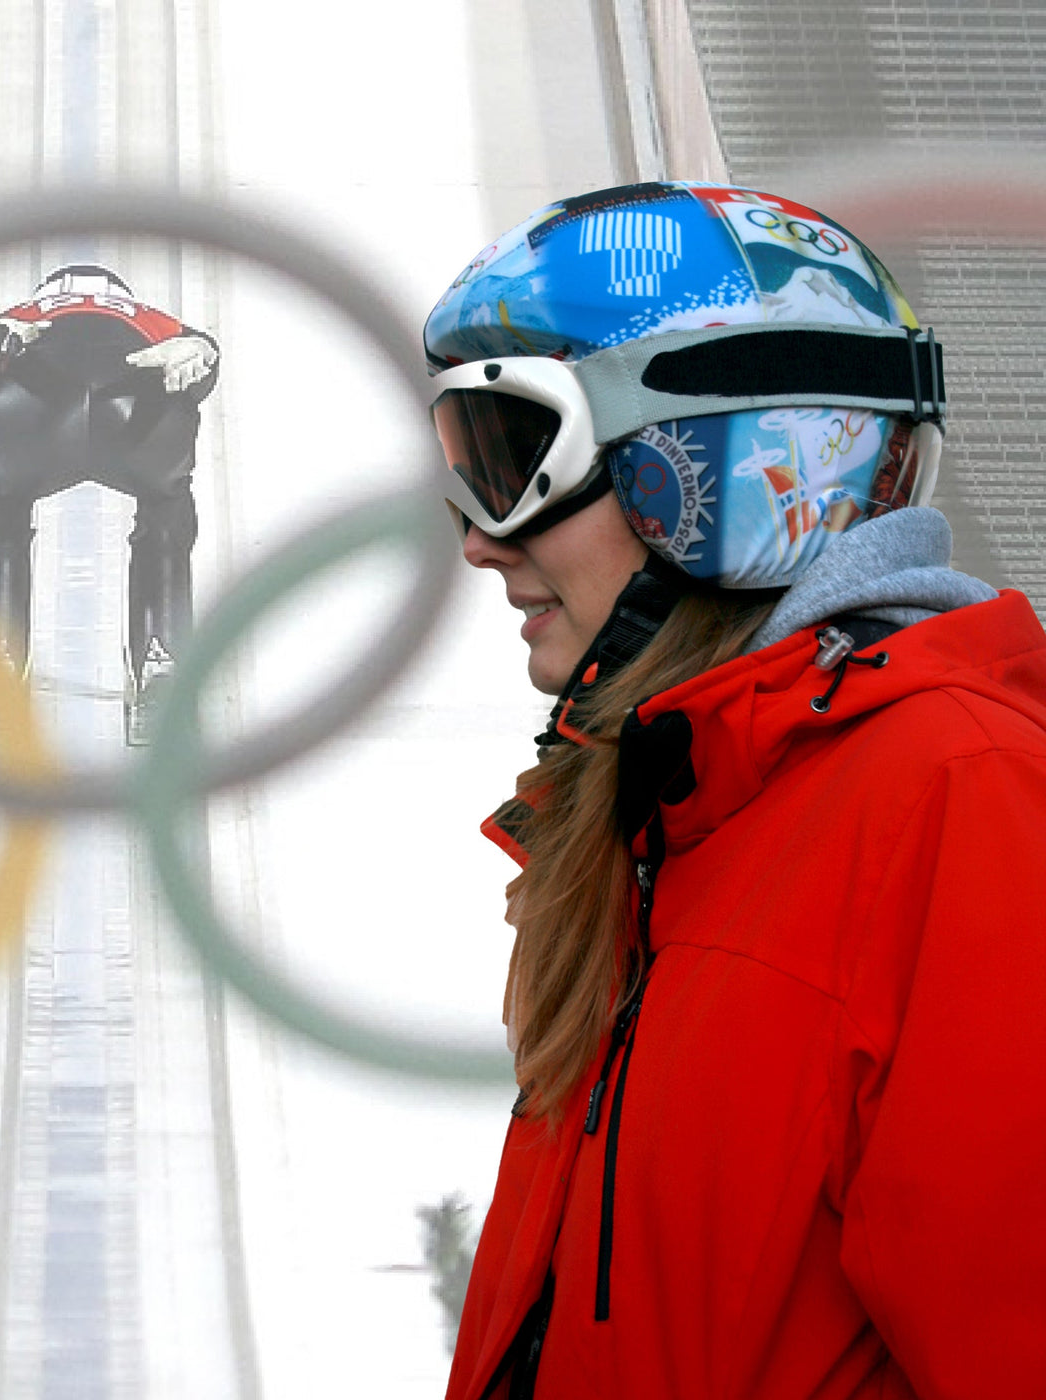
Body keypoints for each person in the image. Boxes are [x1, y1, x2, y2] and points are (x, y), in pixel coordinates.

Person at [425, 183, 1046, 1398]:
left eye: (512, 458)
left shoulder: (959, 805)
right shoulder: (670, 816)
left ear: (712, 463)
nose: (479, 540)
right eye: (464, 463)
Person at [0, 262, 219, 738]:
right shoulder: (144, 314)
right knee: (166, 508)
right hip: (137, 410)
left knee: (1, 508)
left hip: (34, 408)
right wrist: (200, 355)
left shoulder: (30, 311)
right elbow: (204, 360)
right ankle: (162, 658)